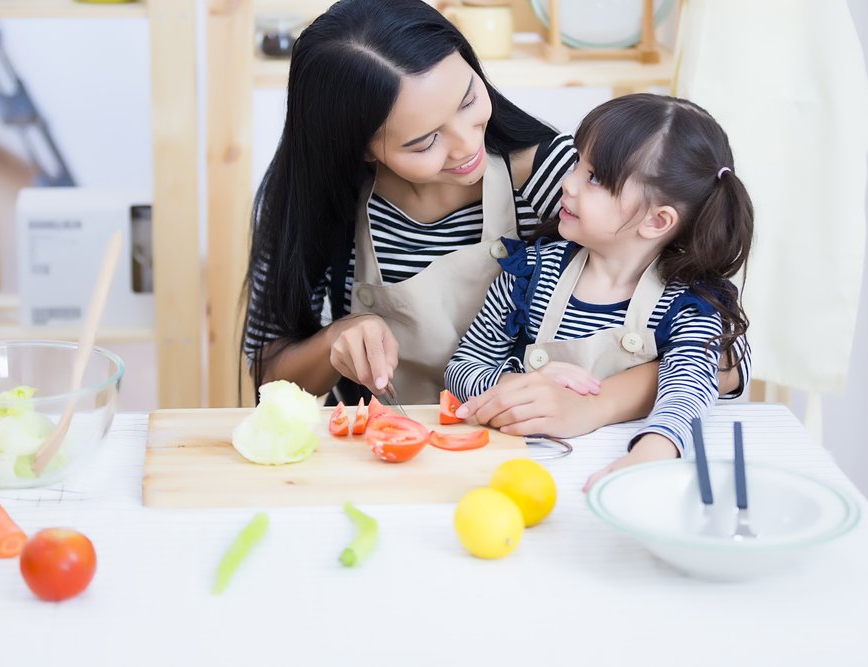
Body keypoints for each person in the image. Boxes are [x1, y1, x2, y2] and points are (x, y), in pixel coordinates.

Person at [242, 0, 744, 437]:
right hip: (379, 450)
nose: (466, 146)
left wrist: (592, 405)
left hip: (524, 450)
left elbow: (724, 358)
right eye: (424, 141)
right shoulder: (314, 206)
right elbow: (268, 377)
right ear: (362, 148)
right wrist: (336, 339)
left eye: (468, 100)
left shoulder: (555, 179)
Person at [446, 93, 754, 489]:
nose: (568, 183)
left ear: (657, 220)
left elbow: (688, 386)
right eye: (577, 162)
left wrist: (650, 453)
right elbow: (463, 367)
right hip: (527, 472)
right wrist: (515, 385)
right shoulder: (529, 273)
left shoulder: (689, 303)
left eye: (594, 178)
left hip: (614, 472)